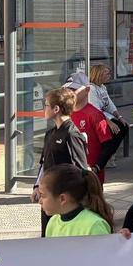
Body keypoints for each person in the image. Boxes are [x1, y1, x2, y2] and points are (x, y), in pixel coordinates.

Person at [32, 88, 90, 236]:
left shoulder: (72, 134)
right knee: (47, 234)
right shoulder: (50, 134)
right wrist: (37, 186)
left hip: (63, 199)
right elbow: (44, 163)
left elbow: (80, 170)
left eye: (46, 105)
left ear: (56, 109)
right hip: (49, 196)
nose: (44, 108)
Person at [39, 164, 114, 237]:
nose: (40, 201)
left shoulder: (95, 225)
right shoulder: (53, 222)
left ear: (62, 199)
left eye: (42, 195)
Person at [85, 64, 128, 171]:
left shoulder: (102, 87)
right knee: (113, 132)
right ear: (99, 74)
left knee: (123, 126)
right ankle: (102, 161)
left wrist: (119, 116)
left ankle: (108, 156)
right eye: (106, 73)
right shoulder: (91, 89)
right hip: (96, 118)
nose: (109, 75)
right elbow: (95, 110)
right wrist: (109, 123)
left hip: (104, 116)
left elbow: (109, 104)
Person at [68, 84, 111, 182]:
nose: (70, 93)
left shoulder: (94, 114)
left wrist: (97, 167)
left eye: (74, 89)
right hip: (71, 174)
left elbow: (108, 145)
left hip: (91, 175)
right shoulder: (66, 114)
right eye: (68, 89)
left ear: (87, 90)